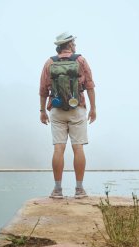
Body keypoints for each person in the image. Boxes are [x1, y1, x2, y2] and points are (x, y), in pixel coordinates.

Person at [39, 32, 96, 199]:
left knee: (59, 148)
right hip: (77, 107)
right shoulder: (80, 60)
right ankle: (79, 190)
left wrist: (42, 111)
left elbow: (43, 90)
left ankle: (57, 190)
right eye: (74, 42)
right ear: (69, 44)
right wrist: (93, 109)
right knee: (77, 147)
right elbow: (90, 85)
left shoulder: (49, 62)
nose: (75, 45)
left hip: (56, 109)